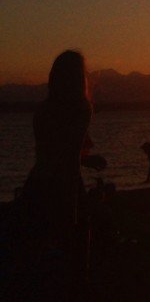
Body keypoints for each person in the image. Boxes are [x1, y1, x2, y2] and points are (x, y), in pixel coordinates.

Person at [22, 50, 94, 291]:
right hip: (64, 184)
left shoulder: (43, 109)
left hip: (37, 182)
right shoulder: (81, 108)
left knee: (38, 251)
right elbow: (69, 157)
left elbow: (48, 153)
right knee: (73, 247)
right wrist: (72, 200)